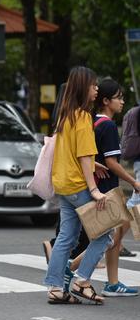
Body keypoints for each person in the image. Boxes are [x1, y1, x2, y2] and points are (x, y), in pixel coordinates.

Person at [44, 66, 113, 305]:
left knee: (67, 237)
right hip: (78, 185)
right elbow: (83, 155)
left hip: (63, 185)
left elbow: (73, 153)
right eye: (93, 85)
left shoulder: (66, 114)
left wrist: (94, 164)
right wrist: (94, 189)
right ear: (83, 87)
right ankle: (82, 281)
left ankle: (54, 288)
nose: (96, 89)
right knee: (105, 234)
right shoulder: (83, 117)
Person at [64, 78, 138, 297]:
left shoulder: (92, 121)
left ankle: (110, 281)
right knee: (108, 237)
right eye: (119, 97)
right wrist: (133, 182)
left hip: (94, 185)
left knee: (111, 235)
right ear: (106, 101)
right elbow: (112, 162)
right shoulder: (107, 125)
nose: (122, 101)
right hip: (105, 188)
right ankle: (74, 272)